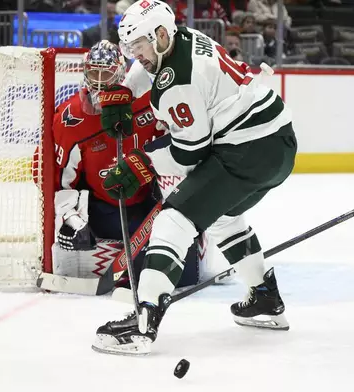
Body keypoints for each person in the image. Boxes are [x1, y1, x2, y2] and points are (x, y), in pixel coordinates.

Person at [91, 0, 297, 356]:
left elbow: (190, 154)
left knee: (174, 219)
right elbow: (153, 70)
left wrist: (141, 162)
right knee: (223, 219)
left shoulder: (179, 83)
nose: (135, 55)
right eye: (131, 48)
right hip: (276, 142)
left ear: (158, 35)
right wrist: (125, 90)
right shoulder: (180, 37)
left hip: (247, 150)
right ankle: (264, 297)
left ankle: (145, 318)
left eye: (138, 46)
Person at [46, 40, 204, 288]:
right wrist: (71, 219)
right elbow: (59, 179)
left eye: (106, 72)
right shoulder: (72, 119)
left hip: (150, 197)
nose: (99, 80)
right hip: (105, 206)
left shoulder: (147, 100)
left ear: (120, 73)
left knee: (182, 236)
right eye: (93, 72)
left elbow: (179, 143)